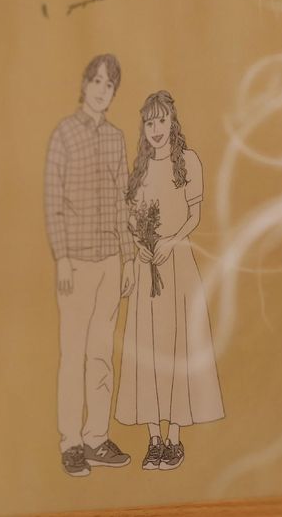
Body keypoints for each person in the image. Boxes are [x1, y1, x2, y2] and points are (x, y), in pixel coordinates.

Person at [115, 90, 224, 471]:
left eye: (161, 121)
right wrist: (140, 245)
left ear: (172, 123)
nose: (156, 129)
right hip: (147, 269)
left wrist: (170, 241)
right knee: (147, 348)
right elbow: (131, 219)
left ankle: (174, 438)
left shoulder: (188, 162)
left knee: (176, 346)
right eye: (149, 122)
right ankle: (154, 439)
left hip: (177, 266)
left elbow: (194, 216)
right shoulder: (141, 169)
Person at [44, 54, 135, 477]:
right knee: (73, 354)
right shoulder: (64, 134)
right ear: (84, 84)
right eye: (96, 81)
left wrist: (127, 258)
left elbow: (122, 202)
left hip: (110, 261)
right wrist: (62, 258)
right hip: (76, 264)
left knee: (101, 355)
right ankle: (71, 443)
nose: (102, 89)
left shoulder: (116, 139)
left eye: (109, 84)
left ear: (114, 93)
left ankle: (97, 437)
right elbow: (53, 202)